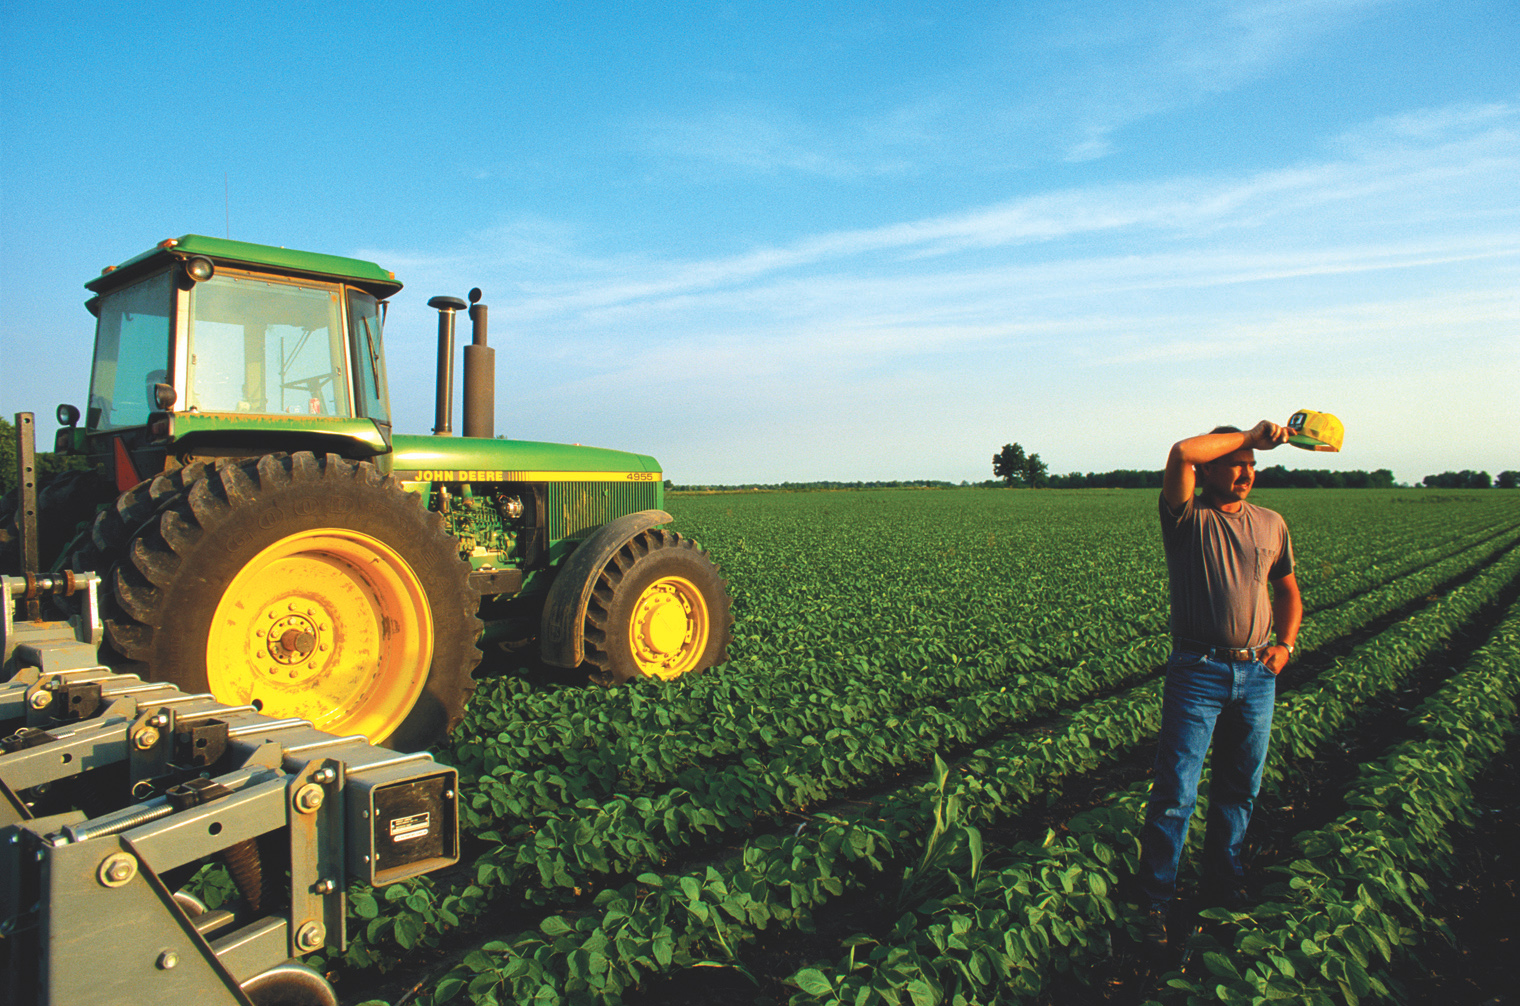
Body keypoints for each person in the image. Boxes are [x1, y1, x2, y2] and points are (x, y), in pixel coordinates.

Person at [1137, 420, 1303, 949]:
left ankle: (1222, 887)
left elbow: (1288, 590)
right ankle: (1155, 900)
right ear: (1208, 471)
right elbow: (1181, 451)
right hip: (1198, 670)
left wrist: (1286, 645)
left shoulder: (1271, 524)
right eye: (1235, 464)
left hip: (1257, 674)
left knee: (1239, 788)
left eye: (1251, 466)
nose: (1246, 474)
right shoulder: (1186, 518)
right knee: (1176, 792)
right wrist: (1250, 435)